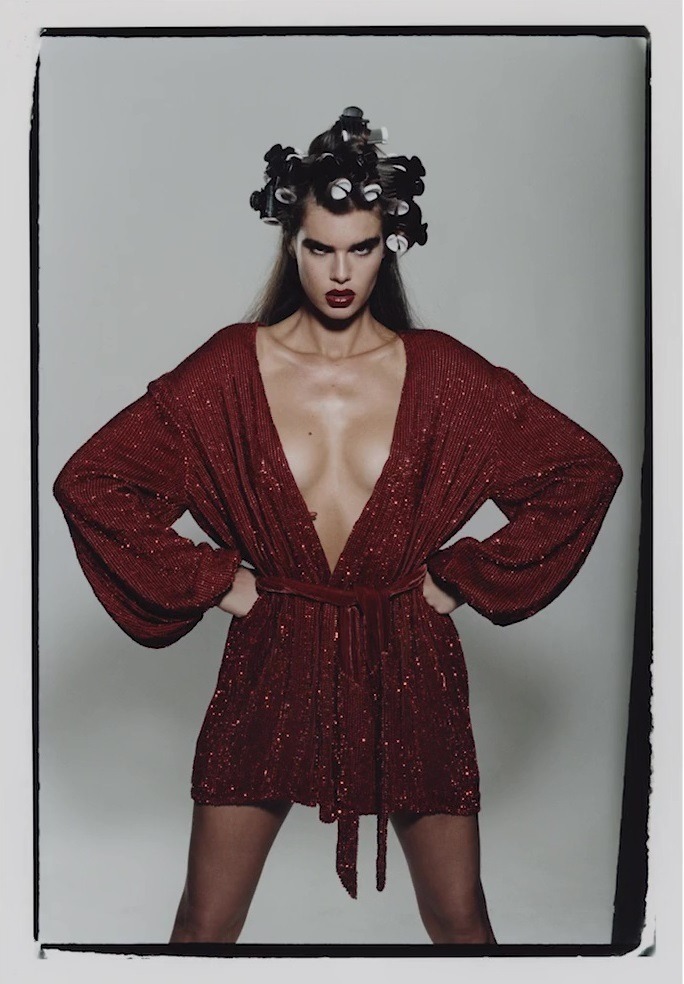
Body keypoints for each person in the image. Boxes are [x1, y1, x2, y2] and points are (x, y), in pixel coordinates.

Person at [52, 106, 623, 945]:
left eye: (362, 247)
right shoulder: (229, 370)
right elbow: (92, 482)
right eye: (321, 248)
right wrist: (215, 581)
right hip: (272, 654)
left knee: (460, 921)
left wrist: (462, 577)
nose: (341, 272)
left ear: (391, 244)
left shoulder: (443, 374)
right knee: (205, 925)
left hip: (408, 657)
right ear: (292, 243)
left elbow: (582, 472)